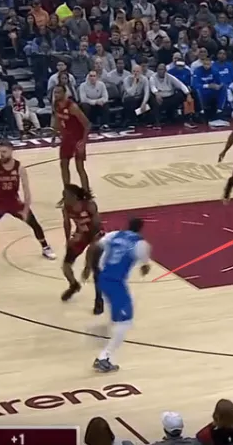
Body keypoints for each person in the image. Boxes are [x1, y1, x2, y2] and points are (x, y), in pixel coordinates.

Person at [86, 217, 150, 372]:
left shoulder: (114, 234)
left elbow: (95, 246)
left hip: (102, 278)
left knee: (118, 318)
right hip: (115, 283)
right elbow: (145, 265)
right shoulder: (141, 244)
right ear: (141, 228)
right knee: (125, 322)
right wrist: (144, 268)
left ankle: (112, 329)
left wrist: (90, 267)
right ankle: (104, 358)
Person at [61, 183, 103, 312]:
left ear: (74, 196)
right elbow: (67, 224)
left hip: (96, 235)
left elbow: (97, 226)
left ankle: (99, 300)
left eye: (66, 195)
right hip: (81, 235)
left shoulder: (89, 205)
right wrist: (68, 240)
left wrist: (87, 265)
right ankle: (74, 285)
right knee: (66, 266)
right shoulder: (66, 208)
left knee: (95, 269)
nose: (63, 197)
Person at [53, 85, 91, 208]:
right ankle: (67, 195)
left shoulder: (72, 107)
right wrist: (55, 134)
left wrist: (83, 142)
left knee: (80, 167)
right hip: (66, 139)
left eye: (58, 92)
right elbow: (58, 120)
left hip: (77, 139)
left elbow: (87, 124)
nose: (56, 94)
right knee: (63, 165)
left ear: (64, 93)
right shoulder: (56, 105)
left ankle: (86, 194)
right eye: (55, 92)